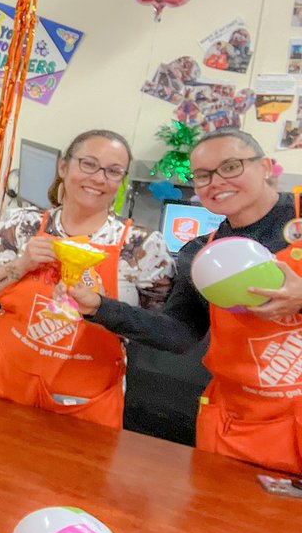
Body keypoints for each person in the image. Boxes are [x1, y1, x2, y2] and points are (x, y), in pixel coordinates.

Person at [73, 128, 302, 473]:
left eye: (231, 167)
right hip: (238, 427)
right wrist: (99, 307)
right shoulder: (200, 253)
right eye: (203, 175)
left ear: (266, 167)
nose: (216, 182)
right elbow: (179, 334)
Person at [0, 129, 174, 428]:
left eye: (113, 171)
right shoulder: (22, 225)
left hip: (81, 403)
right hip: (1, 385)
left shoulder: (143, 247)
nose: (99, 178)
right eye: (88, 164)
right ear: (63, 166)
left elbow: (160, 331)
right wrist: (22, 264)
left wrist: (103, 306)